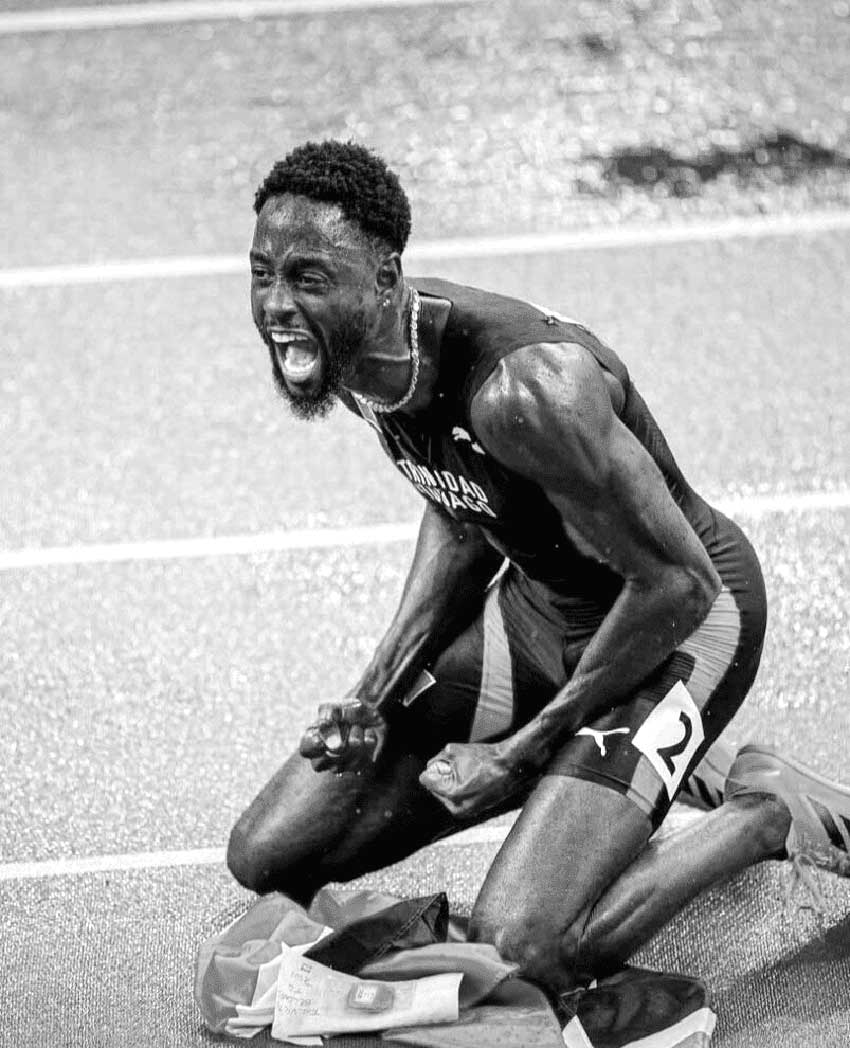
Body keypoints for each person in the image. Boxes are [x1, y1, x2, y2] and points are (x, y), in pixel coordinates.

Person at [227, 140, 850, 1000]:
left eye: (305, 278)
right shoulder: (375, 358)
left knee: (524, 948)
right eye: (262, 274)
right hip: (543, 614)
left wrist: (520, 754)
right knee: (268, 855)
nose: (275, 306)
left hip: (679, 628)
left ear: (383, 279)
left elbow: (680, 584)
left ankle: (761, 813)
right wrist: (374, 694)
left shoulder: (523, 393)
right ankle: (624, 779)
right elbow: (460, 511)